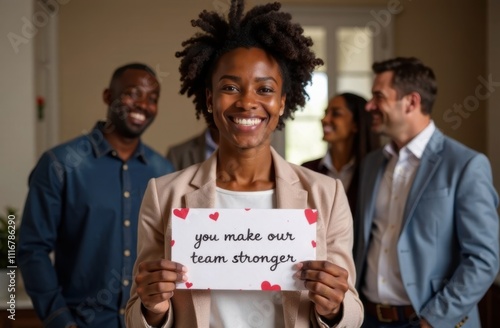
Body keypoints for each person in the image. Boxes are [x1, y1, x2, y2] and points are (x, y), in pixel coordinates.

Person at [125, 0, 363, 327]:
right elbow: (136, 315)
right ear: (210, 99)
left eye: (264, 89)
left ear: (282, 102)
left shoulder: (326, 193)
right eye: (230, 87)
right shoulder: (164, 194)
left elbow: (352, 311)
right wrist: (152, 309)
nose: (248, 101)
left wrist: (334, 309)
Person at [18, 63, 175, 328]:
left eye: (153, 99)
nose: (143, 105)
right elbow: (32, 250)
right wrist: (60, 321)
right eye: (132, 93)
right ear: (107, 96)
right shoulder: (60, 164)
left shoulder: (163, 172)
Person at [353, 57, 499, 328]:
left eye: (378, 97)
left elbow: (483, 259)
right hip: (368, 318)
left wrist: (433, 321)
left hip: (429, 321)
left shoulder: (466, 164)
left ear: (411, 102)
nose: (369, 105)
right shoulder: (372, 164)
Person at [302, 92, 380, 212]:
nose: (325, 119)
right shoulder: (307, 170)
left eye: (336, 114)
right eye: (326, 113)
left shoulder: (373, 172)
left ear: (356, 124)